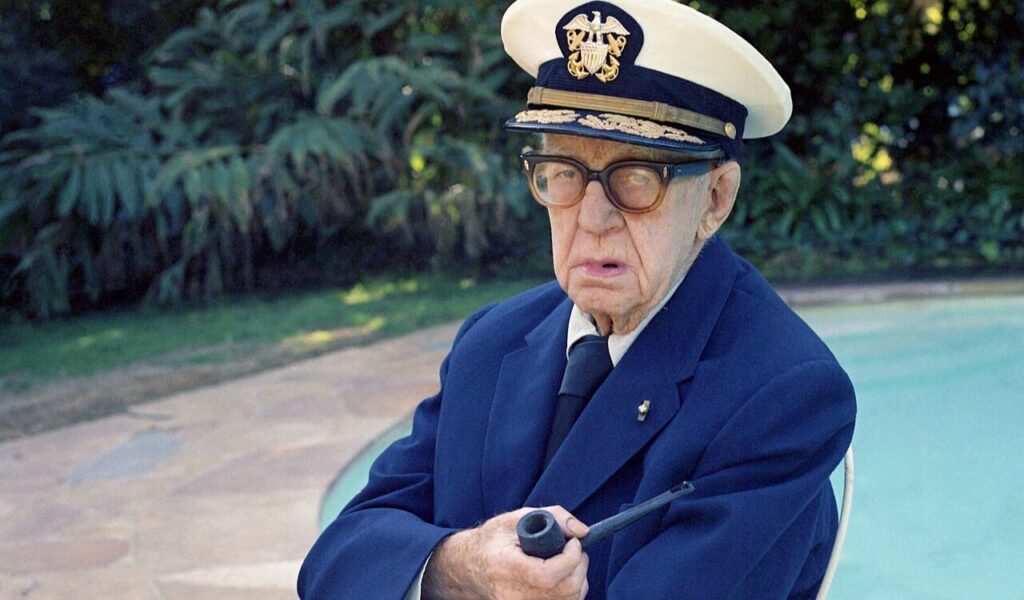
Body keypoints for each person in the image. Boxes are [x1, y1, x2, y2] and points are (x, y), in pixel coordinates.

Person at [298, 0, 856, 598]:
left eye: (636, 178)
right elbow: (337, 562)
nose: (592, 218)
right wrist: (464, 565)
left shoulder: (782, 393)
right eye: (563, 171)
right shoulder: (492, 341)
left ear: (716, 198)